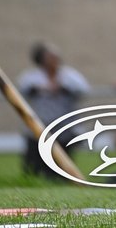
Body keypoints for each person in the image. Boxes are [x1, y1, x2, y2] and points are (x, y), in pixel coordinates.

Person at [17, 42, 89, 177]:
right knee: (35, 163)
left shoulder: (69, 75)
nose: (55, 59)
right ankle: (34, 182)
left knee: (62, 162)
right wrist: (41, 89)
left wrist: (63, 88)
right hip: (39, 126)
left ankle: (64, 179)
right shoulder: (31, 76)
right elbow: (23, 89)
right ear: (41, 59)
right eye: (50, 56)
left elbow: (83, 89)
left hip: (64, 126)